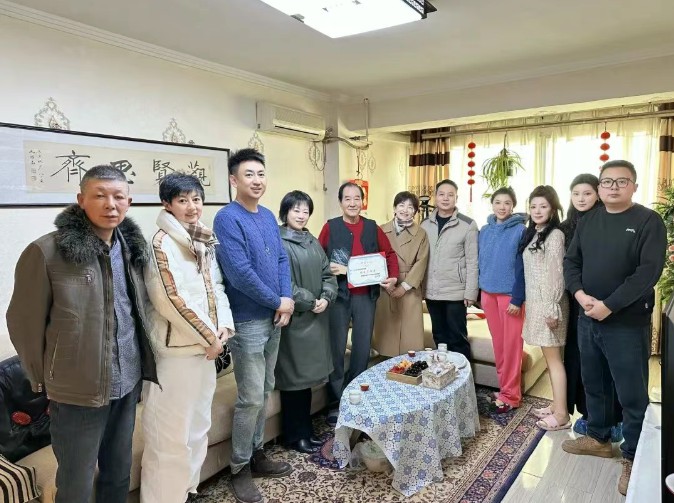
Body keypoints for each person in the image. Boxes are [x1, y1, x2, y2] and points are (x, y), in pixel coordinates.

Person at [6, 165, 157, 503]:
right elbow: (23, 322)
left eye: (118, 197)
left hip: (128, 381)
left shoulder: (132, 248)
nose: (110, 204)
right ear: (81, 199)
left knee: (118, 473)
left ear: (129, 202)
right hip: (77, 391)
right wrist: (45, 377)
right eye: (100, 195)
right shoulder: (47, 252)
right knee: (76, 482)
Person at [562, 160, 666, 496]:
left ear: (634, 185)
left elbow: (648, 272)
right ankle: (599, 437)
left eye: (622, 181)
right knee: (594, 382)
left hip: (626, 322)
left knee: (631, 393)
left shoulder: (648, 221)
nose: (613, 187)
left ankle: (633, 456)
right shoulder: (589, 220)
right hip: (587, 317)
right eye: (607, 182)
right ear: (600, 187)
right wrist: (580, 295)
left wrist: (609, 305)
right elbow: (571, 261)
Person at [141, 173, 234, 503]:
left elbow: (216, 286)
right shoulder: (160, 243)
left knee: (197, 428)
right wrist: (211, 337)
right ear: (167, 204)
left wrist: (224, 327)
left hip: (206, 350)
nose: (192, 206)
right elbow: (170, 299)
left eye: (196, 199)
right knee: (170, 437)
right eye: (183, 200)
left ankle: (188, 491)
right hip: (176, 354)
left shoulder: (202, 237)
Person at [213, 149, 294, 503]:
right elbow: (239, 273)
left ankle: (257, 453)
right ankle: (239, 468)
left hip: (275, 317)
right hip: (247, 321)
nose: (257, 180)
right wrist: (277, 301)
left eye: (261, 174)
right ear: (234, 180)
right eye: (249, 174)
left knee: (265, 389)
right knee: (249, 397)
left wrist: (286, 299)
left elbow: (281, 260)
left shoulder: (267, 216)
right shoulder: (226, 219)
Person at [317, 181, 399, 423]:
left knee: (362, 347)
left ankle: (356, 395)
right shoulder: (330, 227)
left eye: (357, 198)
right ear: (340, 202)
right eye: (347, 199)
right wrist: (327, 275)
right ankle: (335, 401)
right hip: (339, 297)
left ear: (363, 201)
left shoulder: (372, 227)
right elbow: (318, 258)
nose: (352, 203)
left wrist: (393, 277)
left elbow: (390, 255)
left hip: (365, 296)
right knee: (336, 347)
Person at [558, 174, 623, 442]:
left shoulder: (609, 221)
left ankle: (615, 418)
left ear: (597, 194)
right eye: (576, 194)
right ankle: (588, 414)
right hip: (575, 302)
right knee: (579, 360)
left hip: (606, 302)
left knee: (607, 361)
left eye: (587, 193)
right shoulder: (564, 228)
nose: (581, 198)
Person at [276, 191, 338, 453]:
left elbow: (328, 274)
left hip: (316, 319)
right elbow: (283, 283)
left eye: (305, 211)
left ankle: (306, 431)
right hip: (294, 322)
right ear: (285, 212)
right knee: (294, 381)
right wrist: (311, 301)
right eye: (296, 210)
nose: (301, 216)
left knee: (306, 382)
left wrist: (326, 296)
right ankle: (295, 436)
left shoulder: (311, 240)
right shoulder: (278, 241)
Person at [519, 185, 570, 431]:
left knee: (555, 360)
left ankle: (561, 415)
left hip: (550, 305)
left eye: (543, 206)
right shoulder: (535, 233)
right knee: (551, 360)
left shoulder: (555, 235)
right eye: (533, 206)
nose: (537, 211)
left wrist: (552, 308)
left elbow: (556, 274)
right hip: (537, 303)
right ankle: (556, 404)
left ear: (553, 208)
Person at [478, 187, 526, 414]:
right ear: (492, 204)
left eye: (507, 202)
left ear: (513, 206)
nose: (502, 207)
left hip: (510, 296)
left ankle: (512, 396)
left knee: (512, 346)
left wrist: (518, 297)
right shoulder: (485, 230)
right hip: (487, 294)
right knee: (498, 345)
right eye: (498, 202)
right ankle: (504, 389)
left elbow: (523, 267)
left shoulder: (520, 230)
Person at [420, 179, 478, 361]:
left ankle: (463, 377)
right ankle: (443, 374)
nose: (445, 198)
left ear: (456, 198)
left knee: (457, 339)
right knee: (439, 337)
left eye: (450, 195)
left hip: (456, 292)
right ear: (435, 197)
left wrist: (471, 292)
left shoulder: (467, 225)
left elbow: (473, 261)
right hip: (432, 291)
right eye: (441, 194)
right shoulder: (424, 224)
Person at [372, 191, 430, 356]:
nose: (405, 210)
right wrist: (388, 284)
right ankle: (384, 364)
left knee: (409, 339)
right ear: (394, 208)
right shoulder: (380, 230)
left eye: (410, 207)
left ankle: (409, 366)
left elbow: (421, 262)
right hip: (385, 285)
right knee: (386, 335)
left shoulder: (421, 233)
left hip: (409, 287)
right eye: (401, 205)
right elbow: (374, 258)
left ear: (415, 211)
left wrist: (404, 287)